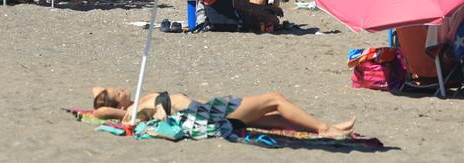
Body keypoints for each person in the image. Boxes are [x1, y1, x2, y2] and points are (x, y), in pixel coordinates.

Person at [89, 86, 355, 138]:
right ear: (118, 105)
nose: (122, 88)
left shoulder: (137, 102)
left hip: (207, 112)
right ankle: (324, 128)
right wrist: (115, 109)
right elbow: (100, 109)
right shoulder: (131, 112)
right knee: (274, 99)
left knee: (272, 119)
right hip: (208, 115)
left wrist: (114, 101)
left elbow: (97, 92)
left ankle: (327, 128)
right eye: (118, 92)